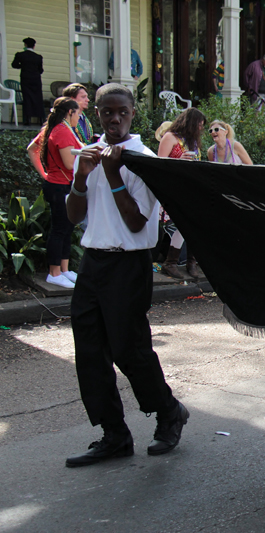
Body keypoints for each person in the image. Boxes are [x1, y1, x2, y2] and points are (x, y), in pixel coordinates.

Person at [64, 83, 189, 468]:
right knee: (88, 351)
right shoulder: (91, 154)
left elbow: (137, 224)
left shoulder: (142, 159)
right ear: (97, 114)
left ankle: (168, 411)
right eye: (106, 112)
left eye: (121, 112)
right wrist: (84, 176)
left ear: (133, 114)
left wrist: (114, 173)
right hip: (93, 262)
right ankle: (114, 434)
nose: (114, 119)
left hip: (129, 264)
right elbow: (73, 215)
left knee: (128, 349)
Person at [39, 97, 83, 289]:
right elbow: (69, 163)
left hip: (63, 184)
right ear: (70, 112)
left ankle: (64, 270)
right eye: (78, 113)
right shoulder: (62, 132)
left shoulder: (61, 129)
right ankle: (54, 272)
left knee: (67, 228)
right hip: (59, 186)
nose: (79, 117)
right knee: (59, 229)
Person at [157, 107, 206, 279]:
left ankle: (190, 262)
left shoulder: (192, 142)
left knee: (193, 225)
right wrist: (178, 160)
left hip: (190, 187)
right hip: (174, 186)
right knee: (180, 224)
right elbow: (159, 165)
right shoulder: (170, 137)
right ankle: (171, 262)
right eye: (199, 124)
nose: (201, 129)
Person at [26, 83, 93, 180]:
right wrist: (43, 174)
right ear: (71, 100)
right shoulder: (60, 128)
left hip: (79, 178)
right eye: (83, 97)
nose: (88, 100)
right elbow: (32, 148)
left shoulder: (83, 120)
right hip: (63, 181)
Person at [12, 37, 45, 126]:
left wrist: (23, 66)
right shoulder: (38, 57)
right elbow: (41, 70)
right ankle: (41, 119)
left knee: (27, 98)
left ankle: (28, 119)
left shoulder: (20, 55)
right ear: (34, 46)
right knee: (38, 98)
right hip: (36, 79)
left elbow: (14, 65)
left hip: (26, 78)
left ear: (25, 45)